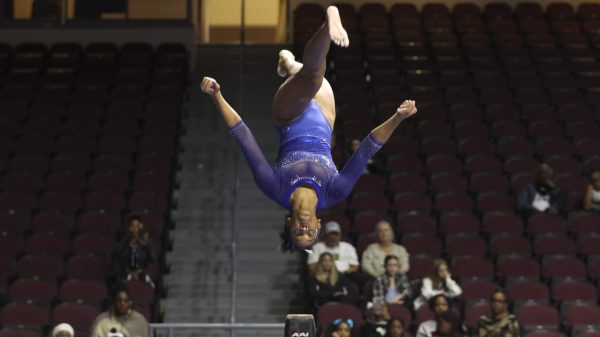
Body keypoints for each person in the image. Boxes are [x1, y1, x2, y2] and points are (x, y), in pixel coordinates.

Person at [201, 5, 417, 252]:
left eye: (297, 232)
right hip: (325, 116)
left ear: (289, 223)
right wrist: (397, 118)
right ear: (319, 223)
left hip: (289, 116)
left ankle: (328, 22)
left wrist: (216, 96)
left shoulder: (274, 188)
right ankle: (288, 62)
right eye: (311, 232)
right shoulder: (334, 192)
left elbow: (244, 137)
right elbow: (367, 150)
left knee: (313, 76)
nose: (304, 228)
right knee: (307, 76)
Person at [112, 214, 155, 287]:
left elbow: (152, 261)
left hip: (142, 275)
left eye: (138, 226)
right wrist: (129, 273)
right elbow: (116, 264)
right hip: (125, 276)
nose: (135, 229)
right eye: (133, 226)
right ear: (129, 228)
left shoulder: (146, 245)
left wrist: (146, 246)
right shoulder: (121, 246)